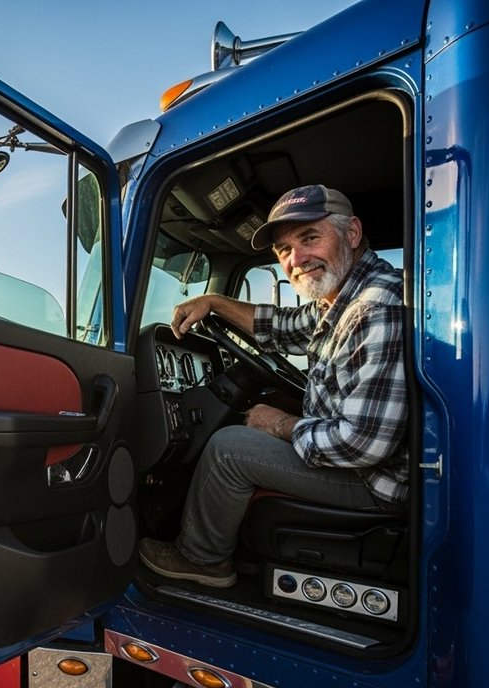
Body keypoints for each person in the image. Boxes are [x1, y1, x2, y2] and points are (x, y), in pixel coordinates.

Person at [139, 184, 410, 588]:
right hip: (367, 463)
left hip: (375, 482)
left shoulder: (374, 308)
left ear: (352, 233)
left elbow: (362, 445)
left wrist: (279, 423)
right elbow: (281, 327)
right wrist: (214, 301)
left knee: (228, 448)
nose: (296, 260)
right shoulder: (338, 300)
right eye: (284, 250)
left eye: (310, 238)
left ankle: (203, 559)